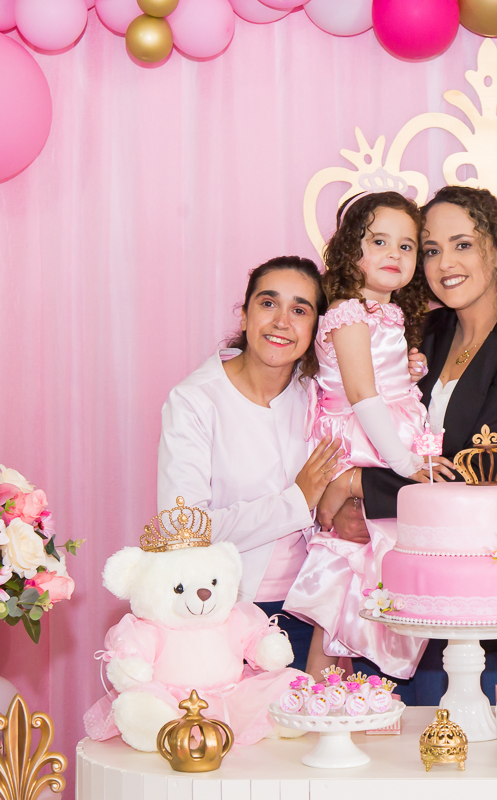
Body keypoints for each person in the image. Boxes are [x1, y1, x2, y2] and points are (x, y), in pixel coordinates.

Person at [316, 185, 497, 701]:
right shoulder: (424, 331)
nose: (444, 263)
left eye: (463, 245)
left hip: (468, 595)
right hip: (388, 581)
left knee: (456, 739)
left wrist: (357, 486)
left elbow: (485, 472)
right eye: (430, 249)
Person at [157, 256, 343, 670]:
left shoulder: (318, 394)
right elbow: (181, 530)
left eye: (300, 310)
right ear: (244, 315)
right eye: (268, 303)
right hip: (222, 612)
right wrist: (297, 501)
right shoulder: (195, 400)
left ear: (316, 328)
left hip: (310, 611)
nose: (282, 322)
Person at [284, 191, 442, 679]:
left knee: (367, 577)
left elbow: (379, 380)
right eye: (379, 242)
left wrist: (410, 371)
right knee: (345, 572)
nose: (394, 254)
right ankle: (319, 693)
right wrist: (404, 465)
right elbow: (362, 396)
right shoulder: (349, 314)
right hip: (364, 442)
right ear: (351, 249)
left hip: (382, 436)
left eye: (406, 246)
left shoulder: (384, 315)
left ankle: (350, 693)